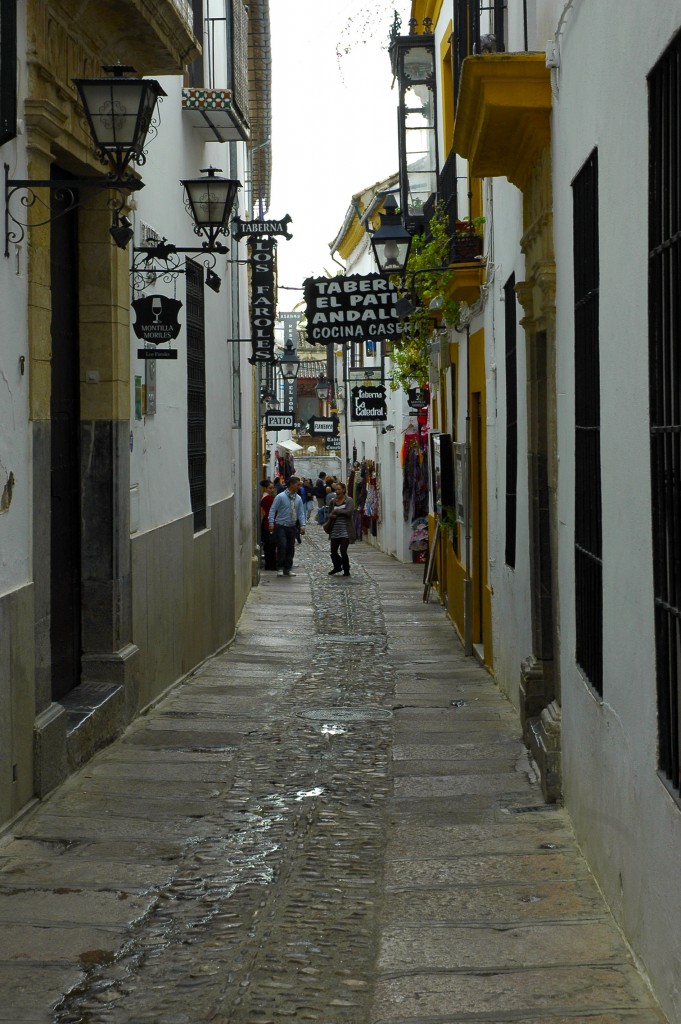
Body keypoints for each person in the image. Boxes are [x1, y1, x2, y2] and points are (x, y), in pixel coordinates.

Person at [268, 475, 306, 577]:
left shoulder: (298, 498)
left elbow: (301, 512)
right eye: (297, 484)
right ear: (291, 484)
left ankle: (287, 568)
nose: (299, 486)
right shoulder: (280, 497)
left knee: (290, 548)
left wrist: (303, 525)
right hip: (281, 525)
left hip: (292, 526)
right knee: (282, 546)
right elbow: (272, 510)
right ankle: (280, 567)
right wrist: (271, 523)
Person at [327, 481, 355, 577]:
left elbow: (349, 512)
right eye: (336, 489)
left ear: (343, 490)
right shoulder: (332, 501)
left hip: (346, 529)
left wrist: (337, 511)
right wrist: (331, 515)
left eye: (339, 489)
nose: (337, 491)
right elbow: (329, 513)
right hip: (335, 529)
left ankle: (346, 569)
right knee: (333, 551)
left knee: (343, 550)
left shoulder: (349, 500)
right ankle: (337, 566)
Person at [260, 481, 277, 570]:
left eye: (272, 488)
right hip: (269, 522)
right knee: (271, 545)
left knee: (269, 545)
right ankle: (271, 565)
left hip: (268, 521)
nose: (272, 489)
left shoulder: (267, 497)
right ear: (266, 488)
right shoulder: (268, 498)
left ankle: (270, 564)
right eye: (270, 488)